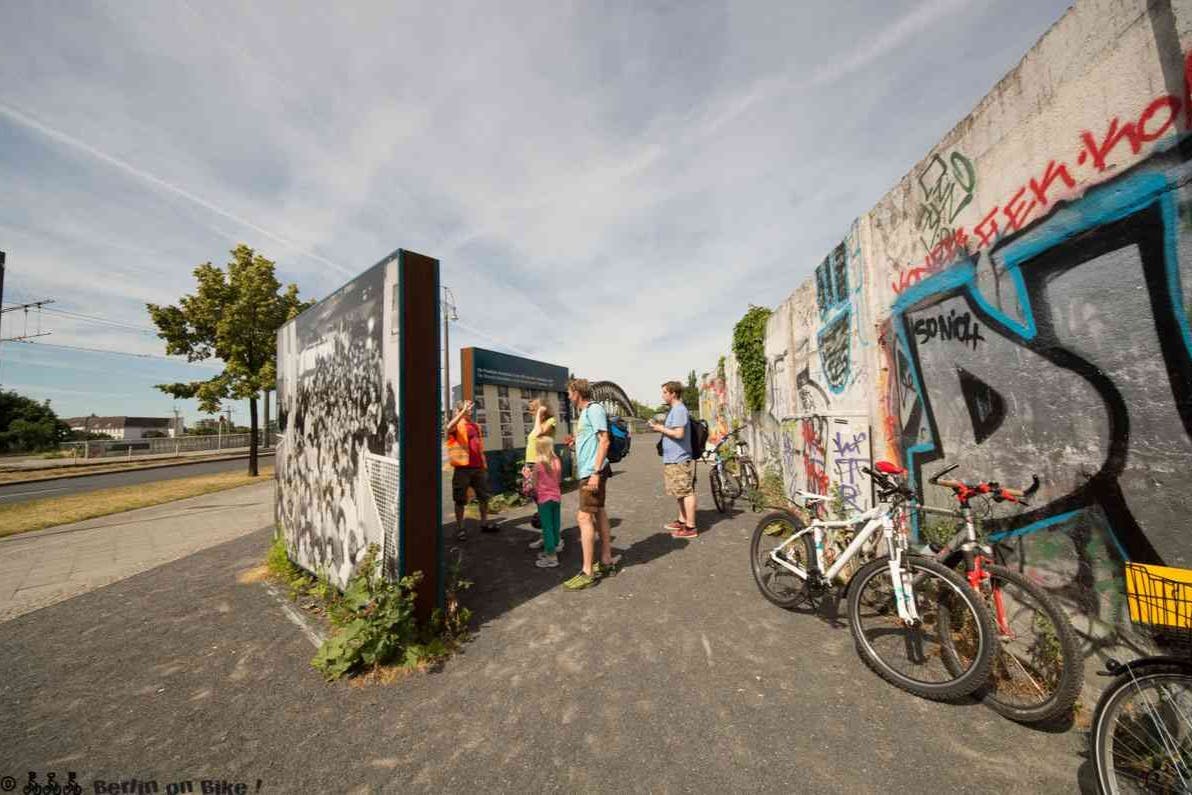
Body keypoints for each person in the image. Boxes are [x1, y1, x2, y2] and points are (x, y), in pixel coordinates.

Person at [563, 378, 618, 590]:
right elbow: (593, 441)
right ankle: (606, 560)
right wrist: (575, 443)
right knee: (600, 512)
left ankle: (587, 571)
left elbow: (604, 440)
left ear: (577, 392)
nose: (568, 396)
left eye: (569, 392)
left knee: (583, 517)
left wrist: (595, 472)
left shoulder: (594, 409)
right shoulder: (586, 413)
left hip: (592, 472)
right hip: (591, 470)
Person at [649, 380, 697, 538]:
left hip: (679, 458)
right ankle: (682, 521)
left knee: (686, 491)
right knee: (679, 491)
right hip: (673, 458)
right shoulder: (674, 410)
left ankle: (690, 527)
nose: (662, 395)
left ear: (673, 393)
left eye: (665, 392)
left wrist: (660, 428)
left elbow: (679, 434)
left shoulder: (679, 410)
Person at [445, 399, 498, 541]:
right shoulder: (457, 425)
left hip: (478, 468)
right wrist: (461, 412)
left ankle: (484, 523)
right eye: (466, 409)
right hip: (462, 468)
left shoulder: (475, 425)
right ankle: (460, 528)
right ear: (459, 411)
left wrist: (483, 465)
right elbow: (448, 427)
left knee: (484, 497)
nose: (470, 411)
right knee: (460, 500)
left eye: (469, 409)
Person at [524, 399, 561, 548]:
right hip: (532, 463)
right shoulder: (538, 423)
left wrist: (539, 414)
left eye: (534, 410)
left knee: (545, 503)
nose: (532, 413)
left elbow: (539, 434)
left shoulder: (550, 421)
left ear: (542, 409)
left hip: (541, 463)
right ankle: (547, 537)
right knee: (540, 504)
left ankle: (553, 540)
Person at [532, 435, 564, 567]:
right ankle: (555, 546)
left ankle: (551, 557)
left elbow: (534, 485)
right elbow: (559, 480)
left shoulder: (538, 465)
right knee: (555, 524)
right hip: (556, 497)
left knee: (547, 527)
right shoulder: (557, 460)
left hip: (544, 499)